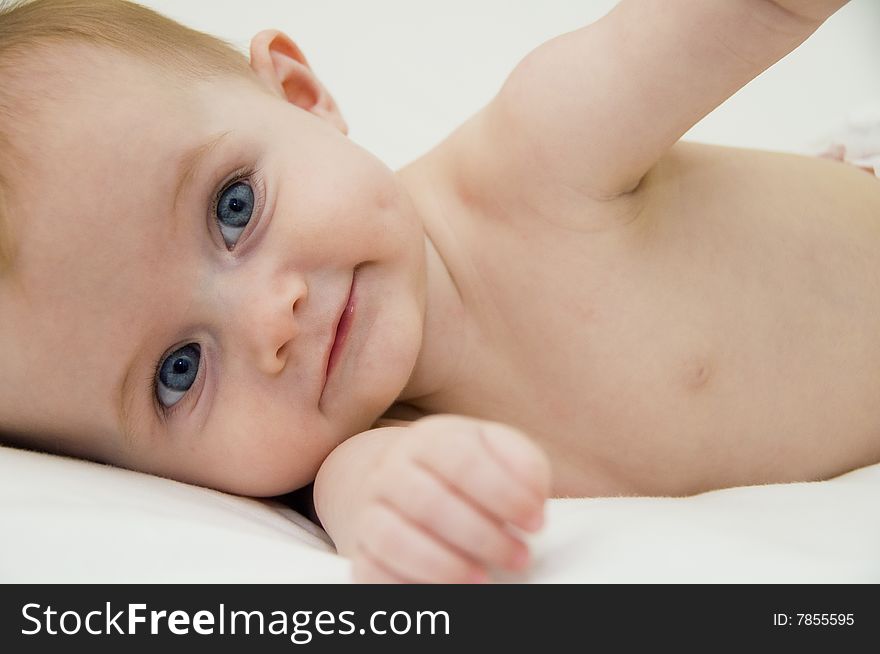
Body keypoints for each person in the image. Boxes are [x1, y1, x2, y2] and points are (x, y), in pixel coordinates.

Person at [0, 0, 876, 583]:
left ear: (302, 98)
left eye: (235, 208)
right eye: (179, 371)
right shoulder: (364, 455)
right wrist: (409, 523)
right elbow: (380, 504)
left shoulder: (539, 156)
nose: (271, 319)